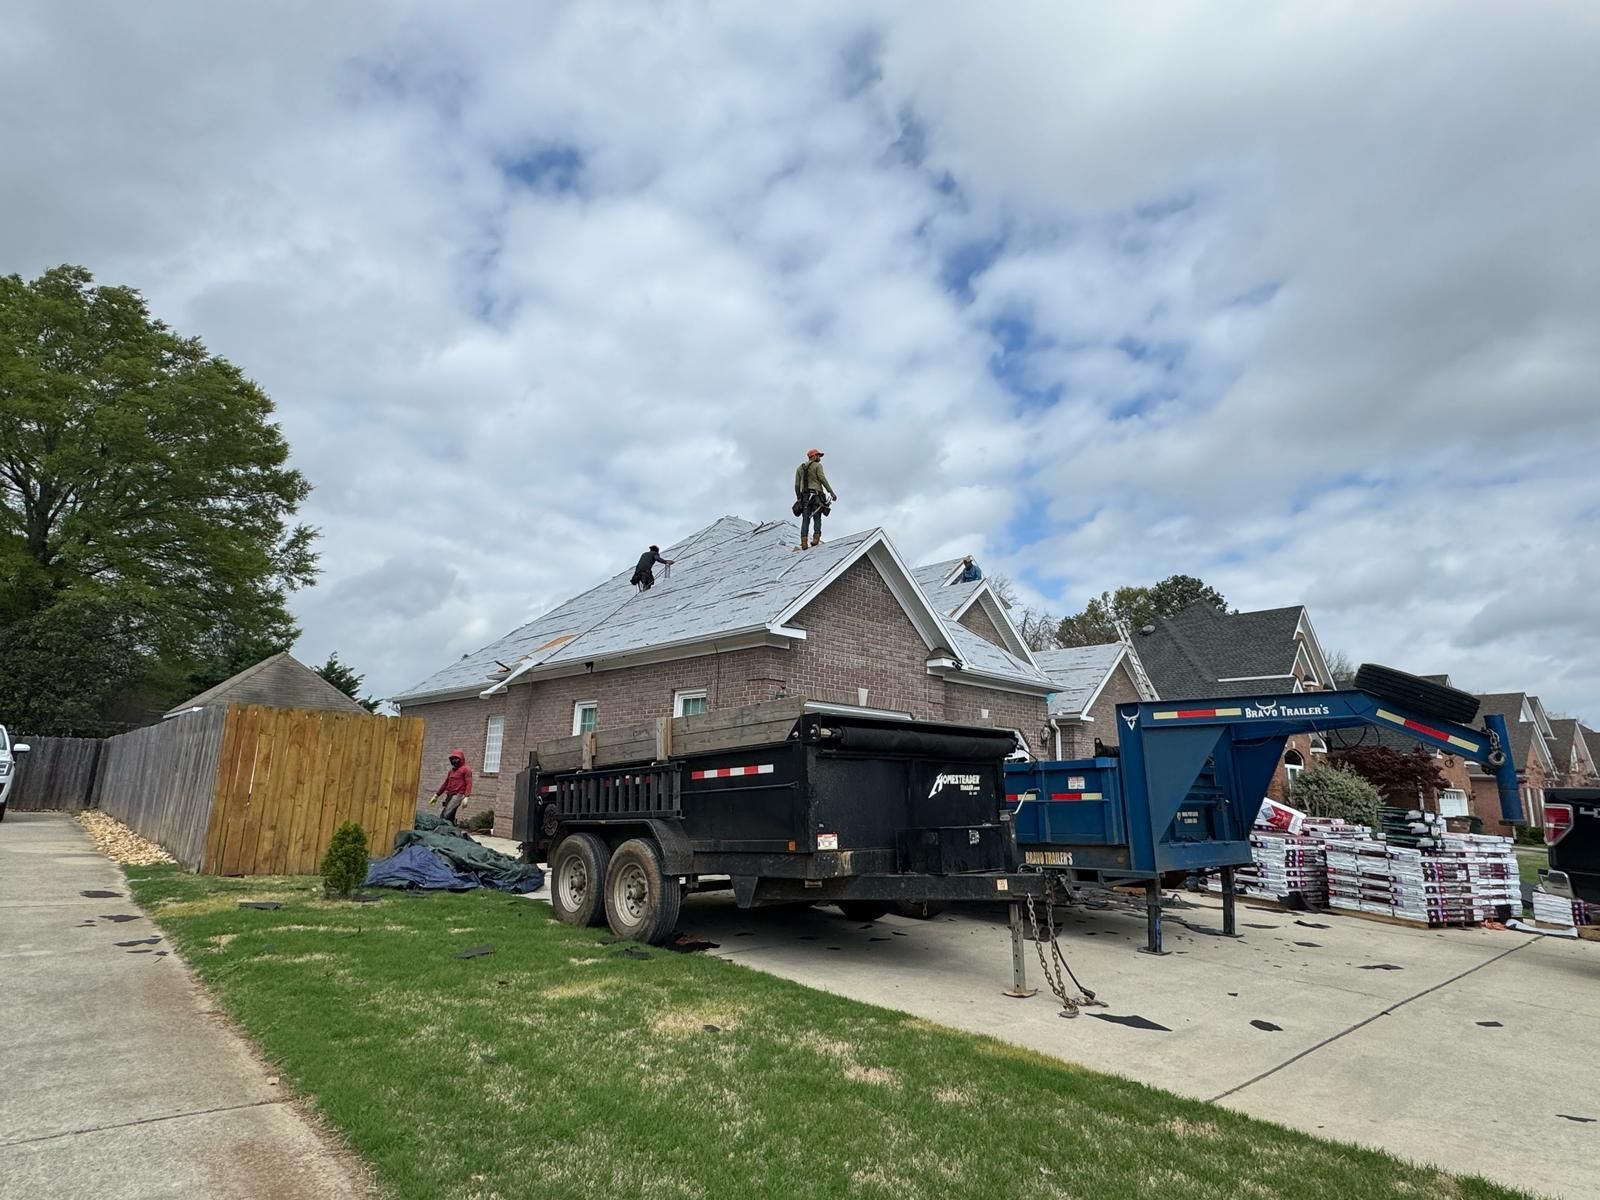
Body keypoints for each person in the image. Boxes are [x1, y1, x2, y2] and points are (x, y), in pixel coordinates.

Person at [792, 448, 837, 550]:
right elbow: (822, 479)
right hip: (816, 496)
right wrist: (831, 492)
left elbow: (797, 485)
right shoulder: (818, 466)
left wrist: (799, 498)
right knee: (817, 516)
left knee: (805, 518)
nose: (819, 458)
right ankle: (816, 539)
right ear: (813, 456)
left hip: (805, 496)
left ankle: (804, 543)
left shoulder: (800, 468)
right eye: (818, 455)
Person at [430, 748, 473, 825]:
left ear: (461, 759)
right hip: (449, 794)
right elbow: (445, 784)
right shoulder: (451, 771)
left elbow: (469, 783)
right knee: (450, 816)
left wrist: (466, 797)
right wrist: (436, 795)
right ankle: (451, 830)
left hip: (458, 795)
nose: (454, 760)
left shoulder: (466, 769)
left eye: (456, 758)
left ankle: (442, 830)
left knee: (445, 815)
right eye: (453, 759)